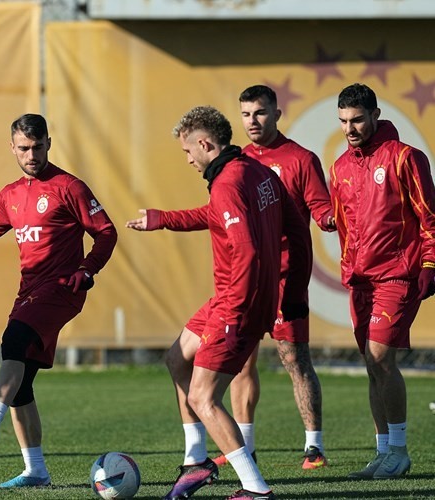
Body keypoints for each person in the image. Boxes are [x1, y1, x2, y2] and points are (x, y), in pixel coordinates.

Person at [126, 106, 311, 499]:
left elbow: (245, 249)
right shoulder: (257, 170)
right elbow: (296, 231)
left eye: (188, 152)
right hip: (232, 299)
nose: (189, 159)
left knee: (202, 398)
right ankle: (196, 460)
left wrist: (239, 310)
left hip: (236, 304)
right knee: (177, 357)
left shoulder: (228, 182)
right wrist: (162, 219)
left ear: (206, 144)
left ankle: (255, 488)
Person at [0, 113, 117, 489]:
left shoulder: (69, 187)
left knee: (12, 341)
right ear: (12, 148)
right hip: (29, 291)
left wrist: (88, 269)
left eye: (37, 146)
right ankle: (37, 471)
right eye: (24, 148)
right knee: (21, 384)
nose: (31, 155)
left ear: (48, 143)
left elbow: (105, 232)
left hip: (64, 287)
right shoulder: (11, 194)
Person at [208, 85, 335, 470]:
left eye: (260, 113)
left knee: (295, 359)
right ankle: (243, 446)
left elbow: (321, 208)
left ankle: (314, 446)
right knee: (241, 362)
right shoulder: (236, 162)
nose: (252, 121)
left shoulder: (300, 159)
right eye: (245, 114)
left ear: (277, 115)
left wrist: (335, 218)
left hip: (284, 278)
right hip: (247, 279)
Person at [329, 83, 435, 479]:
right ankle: (383, 452)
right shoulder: (339, 167)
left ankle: (402, 451)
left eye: (357, 120)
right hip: (360, 281)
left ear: (375, 114)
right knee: (372, 366)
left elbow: (430, 218)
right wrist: (346, 267)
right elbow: (344, 228)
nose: (350, 128)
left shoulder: (406, 157)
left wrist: (429, 264)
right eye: (342, 121)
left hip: (397, 274)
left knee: (380, 359)